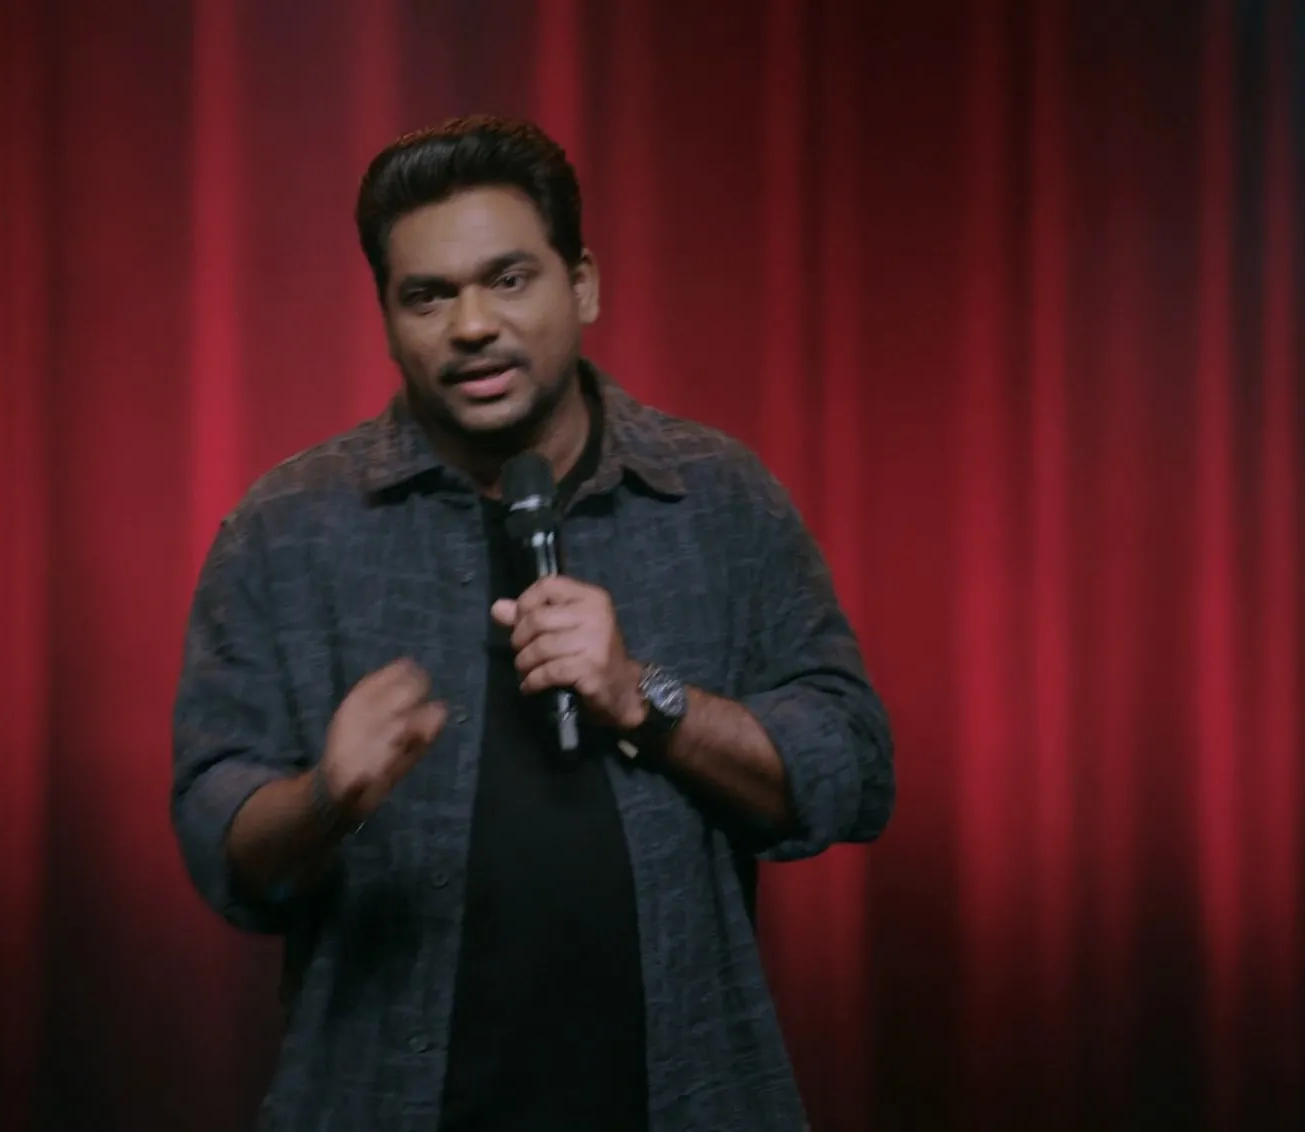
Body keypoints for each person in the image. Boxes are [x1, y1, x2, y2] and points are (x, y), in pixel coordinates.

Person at [170, 114, 895, 1132]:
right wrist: (326, 798)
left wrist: (645, 699)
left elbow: (855, 769)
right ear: (388, 318)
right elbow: (220, 840)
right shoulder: (290, 529)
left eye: (509, 279)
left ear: (582, 285)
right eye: (429, 295)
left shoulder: (716, 499)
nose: (471, 325)